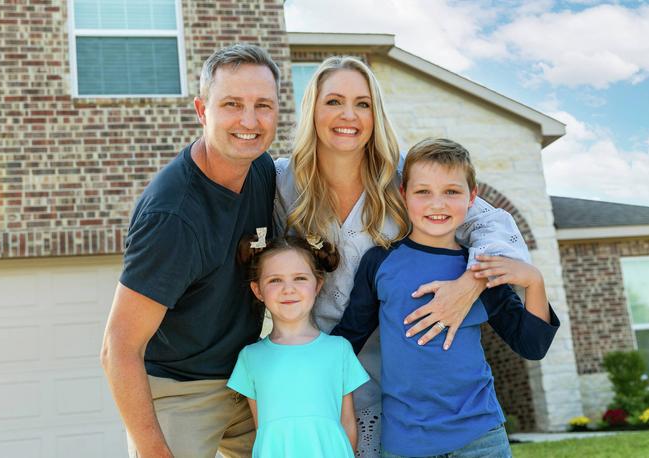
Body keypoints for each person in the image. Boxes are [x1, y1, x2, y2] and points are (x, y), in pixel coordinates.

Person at [274, 56, 532, 455]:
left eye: (363, 104)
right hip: (329, 376)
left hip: (409, 382)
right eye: (334, 101)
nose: (349, 115)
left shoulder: (404, 177)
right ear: (312, 109)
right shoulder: (284, 182)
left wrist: (471, 281)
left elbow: (492, 225)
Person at [100, 44, 281, 458]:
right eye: (232, 104)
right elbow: (118, 346)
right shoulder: (173, 217)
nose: (249, 121)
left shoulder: (263, 170)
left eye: (263, 106)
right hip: (180, 387)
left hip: (245, 375)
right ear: (202, 110)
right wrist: (152, 450)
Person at [332, 138, 560, 457]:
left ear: (472, 198)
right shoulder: (379, 262)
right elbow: (349, 338)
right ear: (404, 195)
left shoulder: (481, 269)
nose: (437, 204)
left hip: (480, 436)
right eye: (423, 191)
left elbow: (532, 345)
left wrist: (534, 281)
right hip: (406, 441)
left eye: (451, 191)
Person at [227, 233, 369, 457]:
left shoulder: (338, 349)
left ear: (318, 284)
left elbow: (348, 423)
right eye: (275, 280)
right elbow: (261, 430)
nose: (288, 289)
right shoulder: (250, 357)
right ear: (257, 290)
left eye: (300, 278)